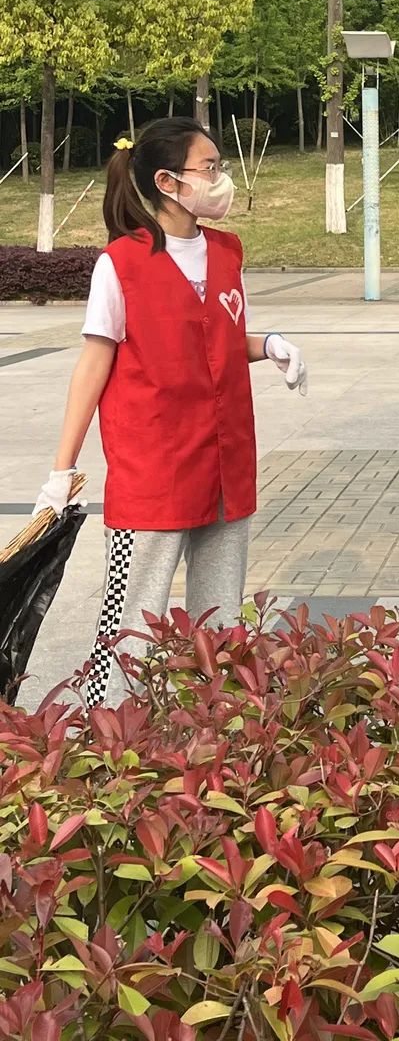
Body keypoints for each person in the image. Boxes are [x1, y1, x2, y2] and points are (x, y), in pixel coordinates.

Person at [33, 119, 309, 707]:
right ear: (166, 181)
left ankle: (220, 725)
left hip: (225, 462)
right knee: (131, 618)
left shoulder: (227, 252)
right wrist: (61, 469)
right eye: (209, 168)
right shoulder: (121, 264)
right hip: (153, 470)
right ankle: (108, 730)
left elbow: (218, 338)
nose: (221, 179)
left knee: (221, 620)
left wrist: (268, 345)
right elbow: (94, 364)